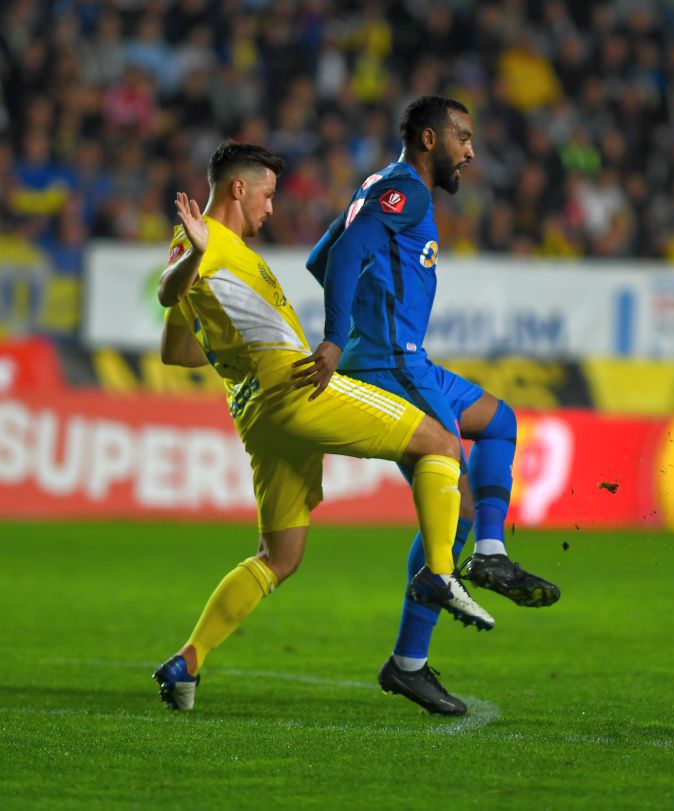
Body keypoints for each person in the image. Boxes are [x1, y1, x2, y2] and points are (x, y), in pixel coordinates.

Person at [151, 140, 495, 711]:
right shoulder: (205, 240)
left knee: (279, 557)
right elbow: (168, 289)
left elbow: (178, 351)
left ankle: (187, 661)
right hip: (292, 386)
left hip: (255, 411)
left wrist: (221, 326)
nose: (270, 208)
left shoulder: (218, 252)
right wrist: (195, 260)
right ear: (238, 188)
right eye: (266, 195)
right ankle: (438, 573)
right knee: (439, 442)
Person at [300, 95, 560, 716]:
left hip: (407, 358)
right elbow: (343, 256)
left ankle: (489, 558)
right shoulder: (407, 193)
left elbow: (319, 258)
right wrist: (339, 337)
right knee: (456, 505)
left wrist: (363, 313)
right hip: (390, 363)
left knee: (499, 421)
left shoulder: (378, 184)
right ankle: (410, 663)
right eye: (461, 137)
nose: (470, 151)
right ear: (428, 139)